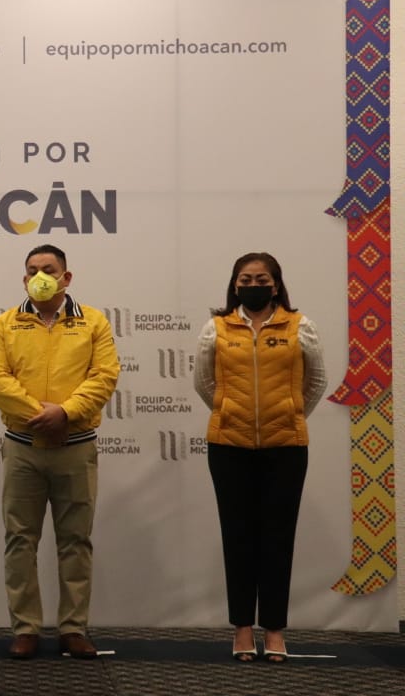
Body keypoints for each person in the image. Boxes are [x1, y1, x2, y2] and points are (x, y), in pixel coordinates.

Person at [0, 244, 120, 660]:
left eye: (48, 269)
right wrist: (39, 414)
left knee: (76, 540)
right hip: (22, 448)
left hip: (75, 447)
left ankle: (73, 629)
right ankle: (25, 629)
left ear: (66, 277)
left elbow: (104, 375)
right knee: (19, 540)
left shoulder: (93, 321)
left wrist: (67, 412)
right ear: (24, 279)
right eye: (32, 270)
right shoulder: (6, 322)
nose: (40, 276)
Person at [193, 252, 327, 663]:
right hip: (228, 447)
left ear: (276, 284)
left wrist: (289, 413)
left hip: (285, 447)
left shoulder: (300, 326)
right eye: (246, 279)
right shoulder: (216, 328)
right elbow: (204, 382)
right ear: (235, 285)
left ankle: (274, 630)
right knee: (237, 538)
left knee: (277, 540)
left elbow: (316, 381)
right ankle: (241, 629)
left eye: (262, 279)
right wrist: (229, 412)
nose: (254, 285)